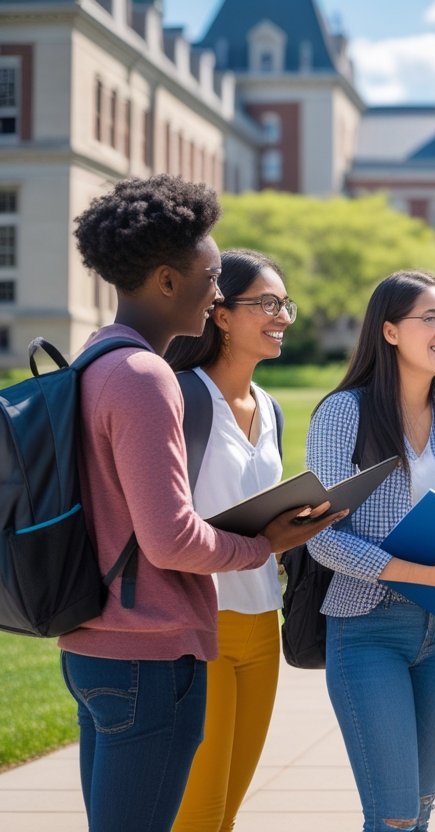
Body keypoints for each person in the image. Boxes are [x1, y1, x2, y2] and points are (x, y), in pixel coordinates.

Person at [59, 175, 340, 832]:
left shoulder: (98, 358)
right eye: (211, 276)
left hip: (98, 644)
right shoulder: (147, 377)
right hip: (151, 653)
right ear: (165, 280)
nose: (215, 292)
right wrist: (265, 544)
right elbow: (170, 539)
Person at [305, 271, 435, 832]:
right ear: (389, 331)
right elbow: (320, 537)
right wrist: (420, 573)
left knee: (421, 809)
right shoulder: (344, 413)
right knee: (393, 814)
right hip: (367, 632)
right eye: (431, 319)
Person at [164, 249, 298, 832]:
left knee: (229, 814)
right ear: (221, 314)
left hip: (263, 621)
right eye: (267, 304)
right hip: (200, 622)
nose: (283, 316)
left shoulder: (269, 407)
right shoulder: (179, 397)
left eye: (285, 304)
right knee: (198, 812)